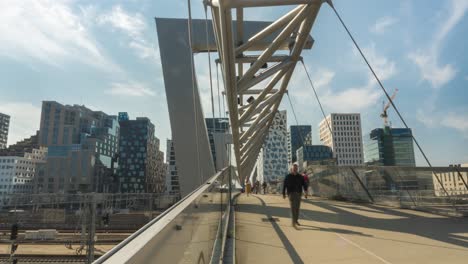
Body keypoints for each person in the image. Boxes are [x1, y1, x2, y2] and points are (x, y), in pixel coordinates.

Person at [283, 164, 307, 228]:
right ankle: (293, 222)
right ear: (291, 169)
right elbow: (284, 185)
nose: (295, 170)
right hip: (291, 194)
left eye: (296, 168)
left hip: (298, 193)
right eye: (294, 169)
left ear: (297, 169)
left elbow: (304, 184)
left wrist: (305, 191)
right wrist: (283, 193)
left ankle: (296, 220)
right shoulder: (288, 176)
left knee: (297, 208)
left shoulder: (300, 176)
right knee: (293, 208)